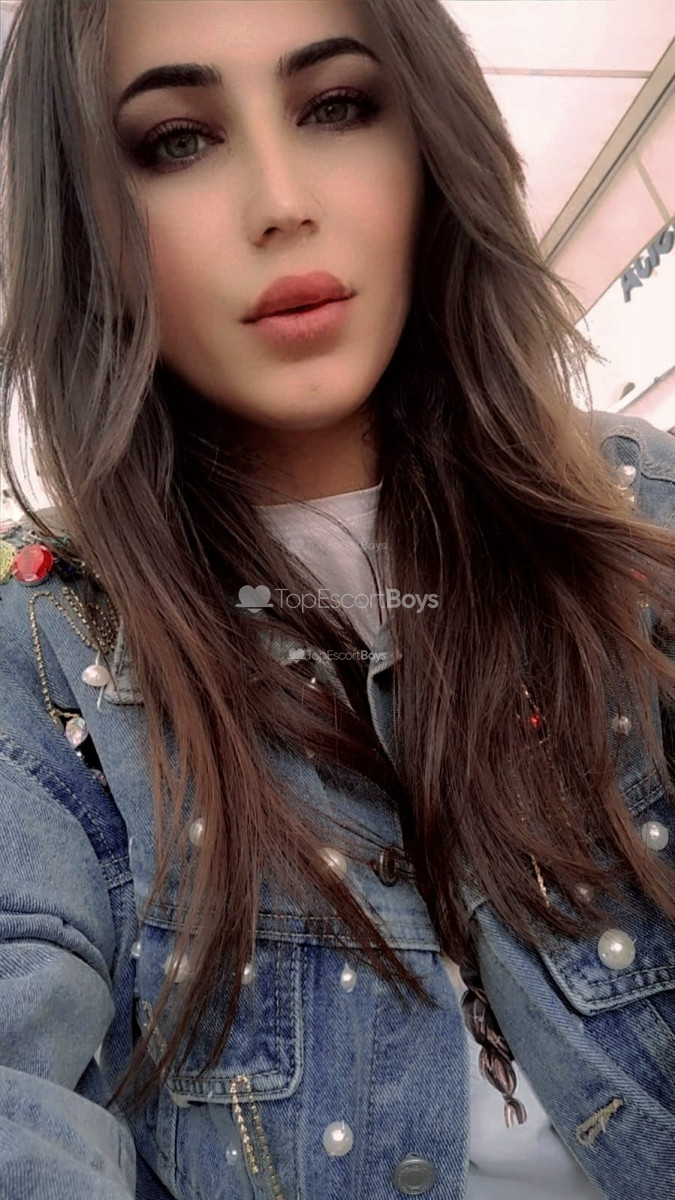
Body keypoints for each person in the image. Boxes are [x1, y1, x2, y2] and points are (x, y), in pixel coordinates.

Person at [1, 1, 675, 1197]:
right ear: (87, 215)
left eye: (337, 106)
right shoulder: (51, 654)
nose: (280, 201)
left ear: (431, 143)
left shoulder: (643, 523)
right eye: (177, 140)